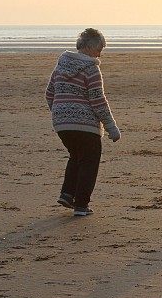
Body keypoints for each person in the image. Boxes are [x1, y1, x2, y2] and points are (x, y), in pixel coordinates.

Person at [45, 28, 121, 216]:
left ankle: (67, 194)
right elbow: (98, 101)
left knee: (76, 156)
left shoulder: (61, 66)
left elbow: (49, 94)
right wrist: (111, 127)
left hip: (62, 123)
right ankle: (81, 205)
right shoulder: (91, 69)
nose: (100, 54)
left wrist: (60, 112)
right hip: (85, 124)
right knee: (90, 160)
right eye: (99, 49)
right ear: (89, 47)